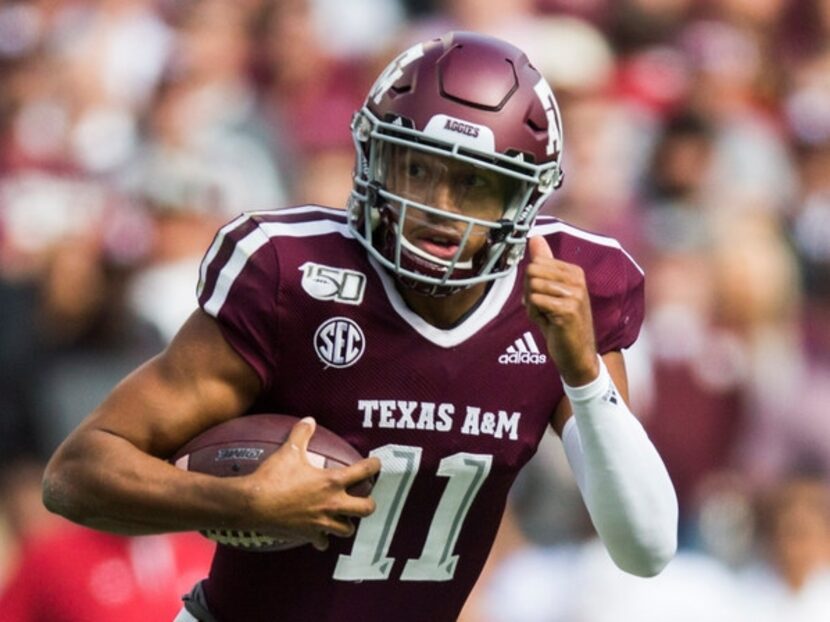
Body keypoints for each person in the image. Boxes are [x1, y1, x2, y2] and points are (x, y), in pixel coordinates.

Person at [42, 32, 678, 622]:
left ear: (521, 201)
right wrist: (240, 503)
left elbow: (646, 547)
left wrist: (583, 372)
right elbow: (76, 474)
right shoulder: (293, 274)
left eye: (474, 184)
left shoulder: (562, 289)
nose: (439, 207)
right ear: (375, 156)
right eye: (418, 168)